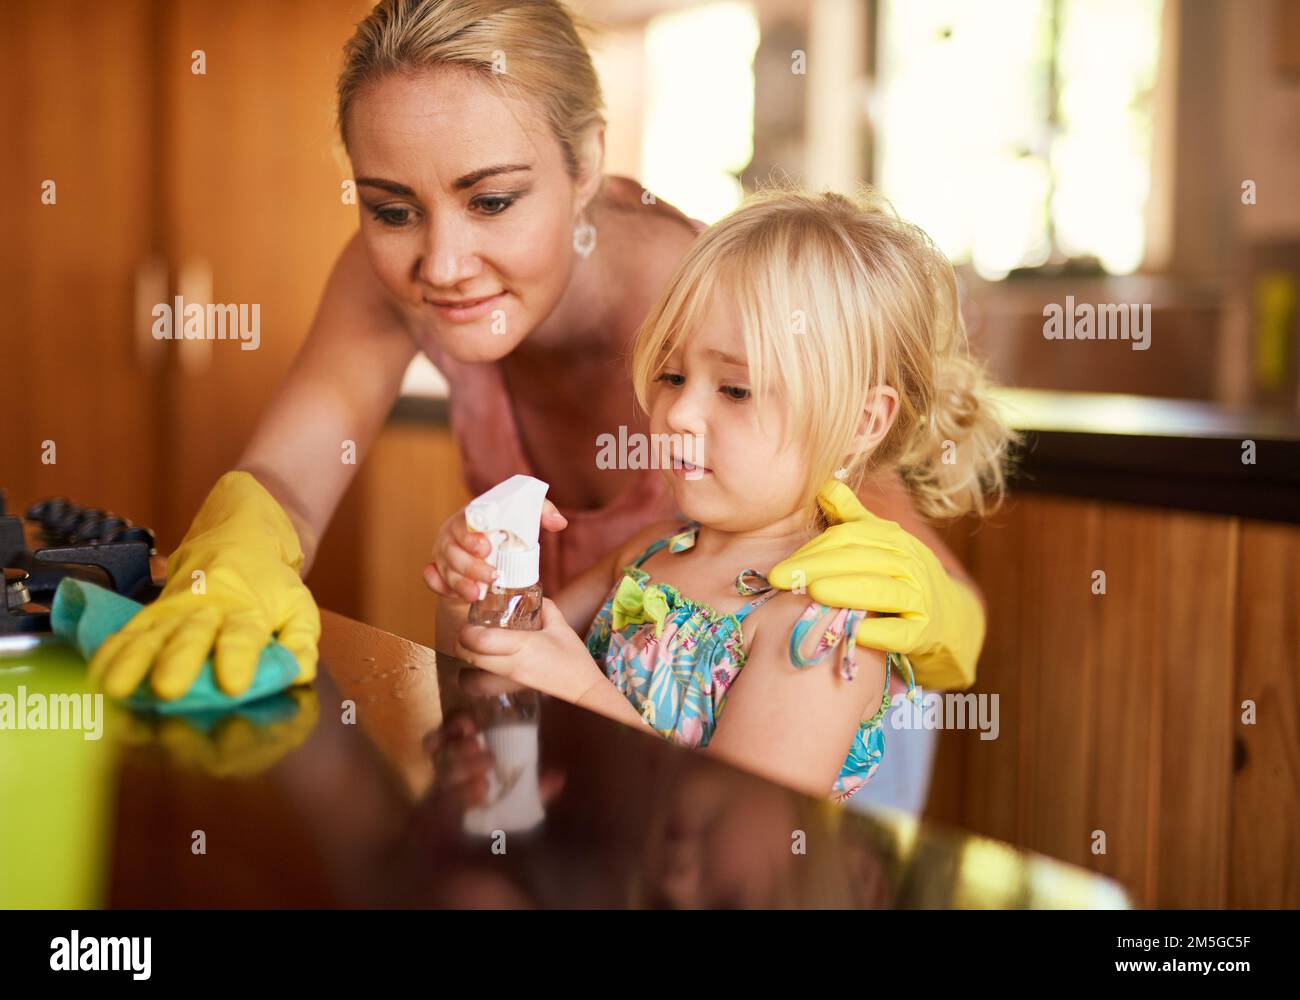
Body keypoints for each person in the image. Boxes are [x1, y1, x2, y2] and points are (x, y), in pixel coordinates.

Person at [89, 2, 989, 788]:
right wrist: (237, 551)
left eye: (492, 201)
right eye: (391, 208)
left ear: (589, 158)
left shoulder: (725, 312)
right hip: (587, 762)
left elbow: (910, 587)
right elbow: (295, 477)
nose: (440, 266)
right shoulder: (647, 545)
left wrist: (937, 616)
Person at [445, 187, 1016, 802]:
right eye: (672, 374)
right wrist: (477, 581)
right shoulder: (648, 555)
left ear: (861, 421)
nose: (680, 412)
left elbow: (727, 835)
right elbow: (490, 671)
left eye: (736, 390)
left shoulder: (819, 628)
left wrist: (582, 693)